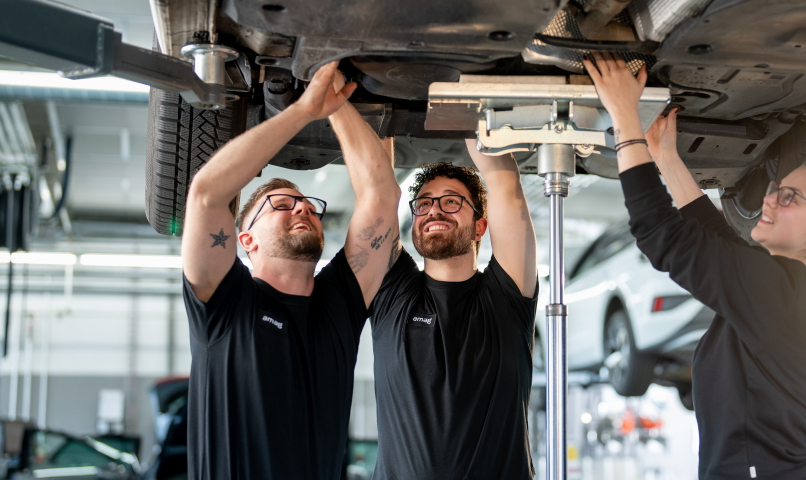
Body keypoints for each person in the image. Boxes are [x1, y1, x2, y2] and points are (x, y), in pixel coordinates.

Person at [583, 52, 806, 479]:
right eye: (778, 188)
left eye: (789, 197)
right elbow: (709, 241)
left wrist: (625, 120)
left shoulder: (792, 297)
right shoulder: (802, 293)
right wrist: (664, 156)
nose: (769, 199)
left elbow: (665, 235)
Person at [180, 61, 402, 480]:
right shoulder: (224, 303)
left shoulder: (339, 303)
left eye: (308, 205)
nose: (302, 207)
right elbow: (207, 194)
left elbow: (381, 195)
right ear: (246, 240)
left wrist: (335, 102)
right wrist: (303, 110)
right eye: (281, 205)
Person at [366, 141, 538, 479]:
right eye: (424, 203)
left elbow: (504, 182)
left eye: (451, 201)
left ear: (480, 226)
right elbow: (377, 188)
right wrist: (383, 117)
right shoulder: (393, 293)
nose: (434, 210)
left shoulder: (506, 296)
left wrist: (472, 114)